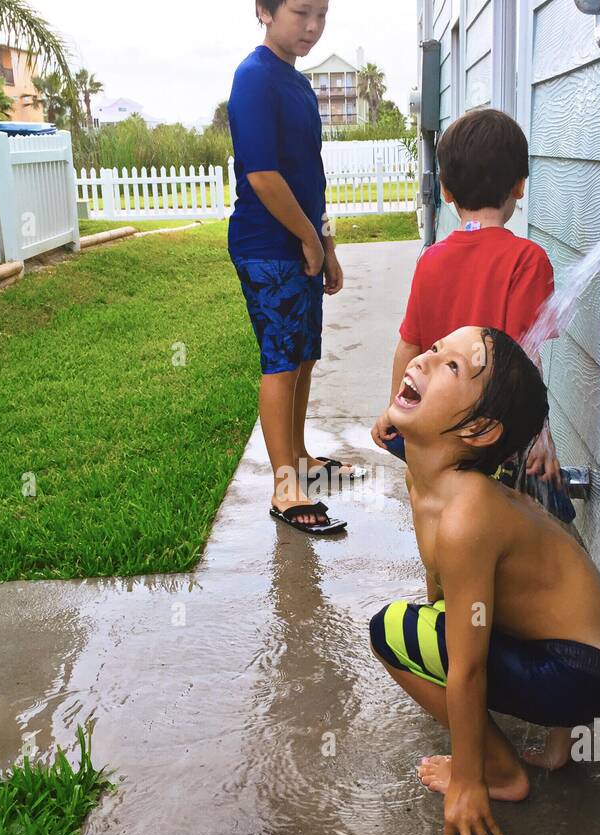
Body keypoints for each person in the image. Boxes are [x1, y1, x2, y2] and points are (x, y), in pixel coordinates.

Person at [369, 326, 600, 835]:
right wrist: (398, 422)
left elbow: (465, 670)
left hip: (580, 671)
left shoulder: (466, 514)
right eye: (437, 348)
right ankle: (557, 747)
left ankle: (503, 773)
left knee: (394, 630)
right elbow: (455, 593)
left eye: (454, 368)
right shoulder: (433, 472)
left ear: (480, 428)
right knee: (446, 618)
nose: (427, 358)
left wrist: (467, 778)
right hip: (584, 650)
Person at [370, 107, 562, 488]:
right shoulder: (527, 260)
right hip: (490, 435)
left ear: (445, 190)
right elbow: (525, 361)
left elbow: (409, 345)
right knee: (488, 521)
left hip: (437, 429)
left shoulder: (432, 260)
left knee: (436, 511)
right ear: (520, 186)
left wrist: (397, 408)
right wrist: (541, 436)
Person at [228, 0, 357, 536]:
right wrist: (307, 239)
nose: (312, 27)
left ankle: (300, 460)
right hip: (266, 246)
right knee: (280, 362)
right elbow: (262, 175)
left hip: (303, 245)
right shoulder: (254, 78)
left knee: (302, 356)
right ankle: (285, 487)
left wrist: (326, 241)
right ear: (263, 10)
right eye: (301, 13)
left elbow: (310, 176)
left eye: (321, 15)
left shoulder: (299, 84)